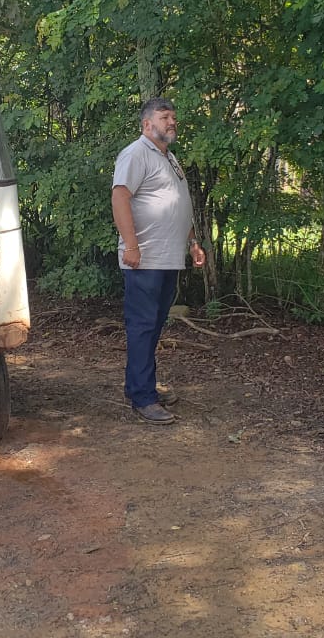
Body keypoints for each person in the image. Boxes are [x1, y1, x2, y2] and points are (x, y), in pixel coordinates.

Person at [111, 97, 206, 424]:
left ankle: (139, 385)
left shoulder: (169, 158)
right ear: (147, 124)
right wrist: (131, 246)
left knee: (153, 326)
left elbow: (180, 204)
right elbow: (120, 197)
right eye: (165, 117)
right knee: (143, 326)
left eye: (174, 117)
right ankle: (143, 398)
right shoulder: (135, 154)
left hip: (168, 258)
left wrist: (192, 242)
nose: (172, 122)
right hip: (145, 258)